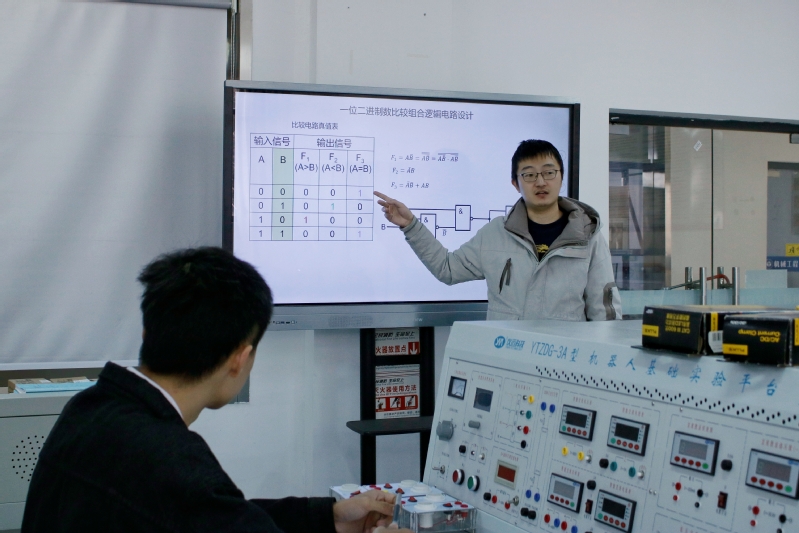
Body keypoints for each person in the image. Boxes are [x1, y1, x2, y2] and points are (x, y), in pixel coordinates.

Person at [22, 247, 410, 533]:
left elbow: (216, 516)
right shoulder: (171, 462)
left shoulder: (92, 407)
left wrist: (329, 517)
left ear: (147, 331)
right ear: (240, 359)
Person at [374, 139, 621, 321]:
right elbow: (447, 269)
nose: (540, 182)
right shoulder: (495, 234)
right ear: (516, 184)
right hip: (507, 360)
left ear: (561, 176)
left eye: (549, 172)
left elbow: (604, 312)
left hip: (563, 363)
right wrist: (412, 226)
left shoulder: (587, 237)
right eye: (529, 175)